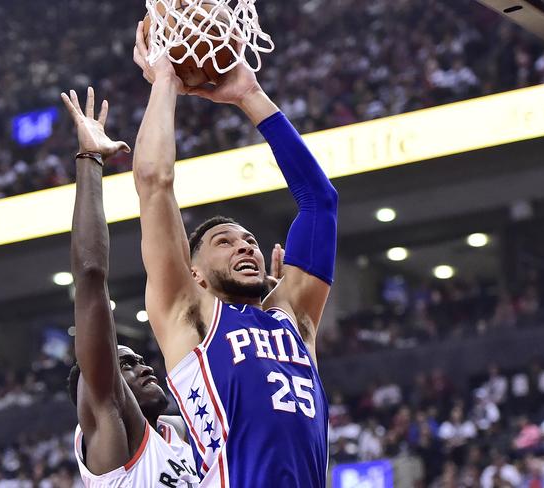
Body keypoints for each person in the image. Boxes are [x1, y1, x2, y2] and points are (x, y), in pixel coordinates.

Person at [131, 19, 338, 487]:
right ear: (195, 274)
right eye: (223, 242)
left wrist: (249, 94)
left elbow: (320, 200)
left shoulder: (295, 319)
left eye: (248, 240)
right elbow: (154, 184)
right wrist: (164, 80)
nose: (244, 245)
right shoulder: (188, 316)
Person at [61, 87, 199, 487]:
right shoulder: (110, 432)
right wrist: (89, 160)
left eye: (137, 359)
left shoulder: (182, 443)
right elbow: (89, 274)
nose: (142, 366)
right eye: (124, 364)